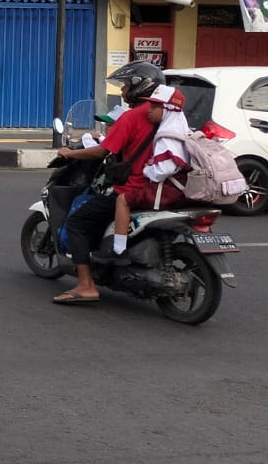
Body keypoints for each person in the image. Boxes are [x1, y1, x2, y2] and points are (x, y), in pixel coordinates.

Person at [50, 61, 167, 305]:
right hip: (161, 189)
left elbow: (101, 152)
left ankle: (85, 285)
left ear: (140, 86)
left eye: (125, 86)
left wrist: (69, 154)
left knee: (77, 223)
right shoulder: (167, 115)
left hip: (131, 188)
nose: (122, 92)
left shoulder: (132, 116)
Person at [111, 84, 192, 233]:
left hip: (166, 191)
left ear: (168, 109)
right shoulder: (181, 129)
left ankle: (118, 248)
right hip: (179, 188)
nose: (149, 110)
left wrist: (148, 170)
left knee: (122, 199)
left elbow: (165, 169)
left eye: (155, 107)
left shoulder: (166, 135)